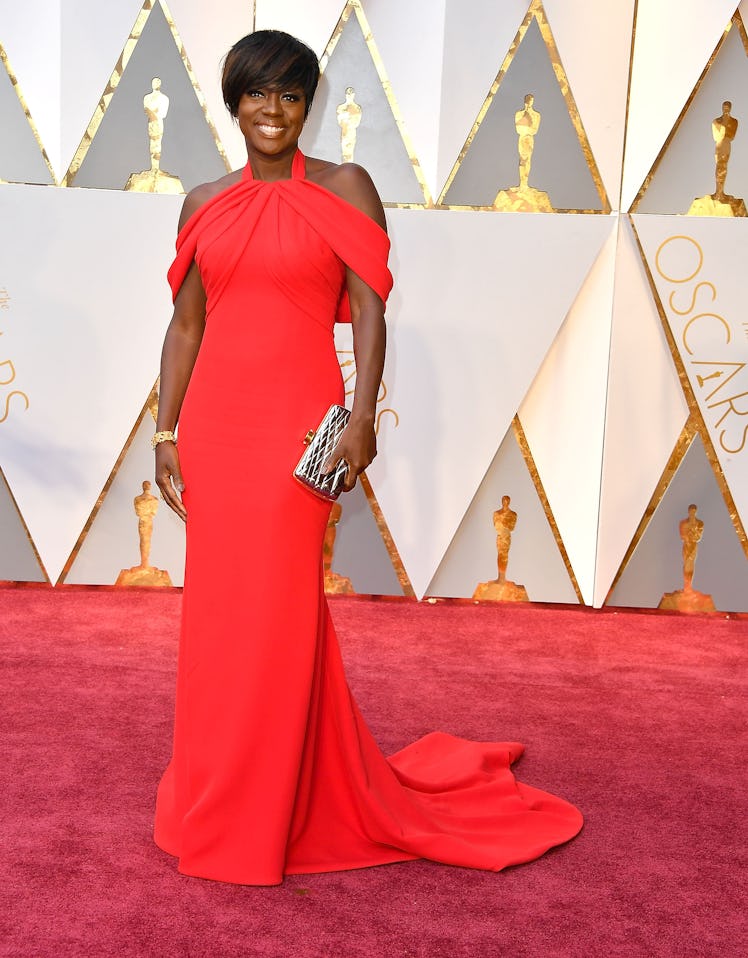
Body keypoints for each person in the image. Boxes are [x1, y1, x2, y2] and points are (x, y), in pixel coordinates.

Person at [152, 29, 582, 886]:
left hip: (296, 430)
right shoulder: (202, 200)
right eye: (256, 94)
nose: (272, 111)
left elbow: (371, 307)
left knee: (282, 617)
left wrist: (360, 419)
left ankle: (277, 805)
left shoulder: (347, 187)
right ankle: (217, 790)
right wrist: (165, 431)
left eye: (289, 95)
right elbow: (187, 325)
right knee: (216, 621)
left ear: (308, 105)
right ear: (232, 103)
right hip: (216, 432)